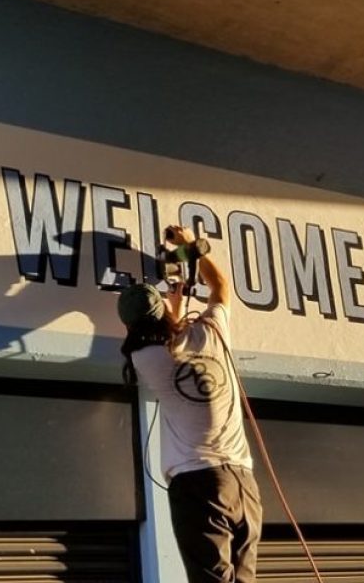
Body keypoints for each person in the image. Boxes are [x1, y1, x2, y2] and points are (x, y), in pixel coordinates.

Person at [117, 225, 262, 583]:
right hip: (243, 484)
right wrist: (189, 247)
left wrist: (172, 308)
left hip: (199, 482)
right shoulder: (213, 330)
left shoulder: (146, 359)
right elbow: (221, 287)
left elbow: (162, 340)